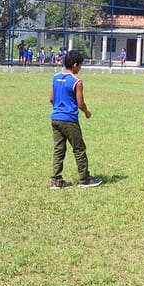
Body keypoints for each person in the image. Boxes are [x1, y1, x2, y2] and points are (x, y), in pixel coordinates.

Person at [49, 50, 102, 189]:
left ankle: (56, 180)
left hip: (55, 118)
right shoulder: (76, 81)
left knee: (58, 149)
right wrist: (87, 112)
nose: (80, 69)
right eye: (80, 66)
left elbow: (50, 98)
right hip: (69, 119)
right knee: (79, 149)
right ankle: (84, 179)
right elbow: (80, 103)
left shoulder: (55, 77)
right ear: (74, 65)